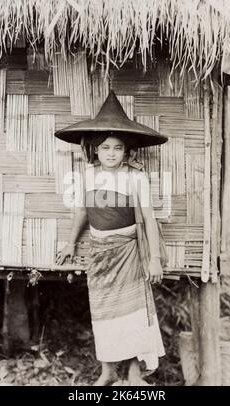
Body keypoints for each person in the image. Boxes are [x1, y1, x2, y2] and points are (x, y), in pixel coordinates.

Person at [55, 91, 168, 385]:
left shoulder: (136, 177)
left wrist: (154, 259)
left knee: (132, 312)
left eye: (118, 148)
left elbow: (150, 219)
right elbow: (82, 210)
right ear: (95, 150)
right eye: (105, 148)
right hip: (99, 253)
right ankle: (108, 371)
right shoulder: (88, 175)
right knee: (104, 313)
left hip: (129, 251)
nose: (111, 154)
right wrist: (71, 241)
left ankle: (133, 372)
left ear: (127, 151)